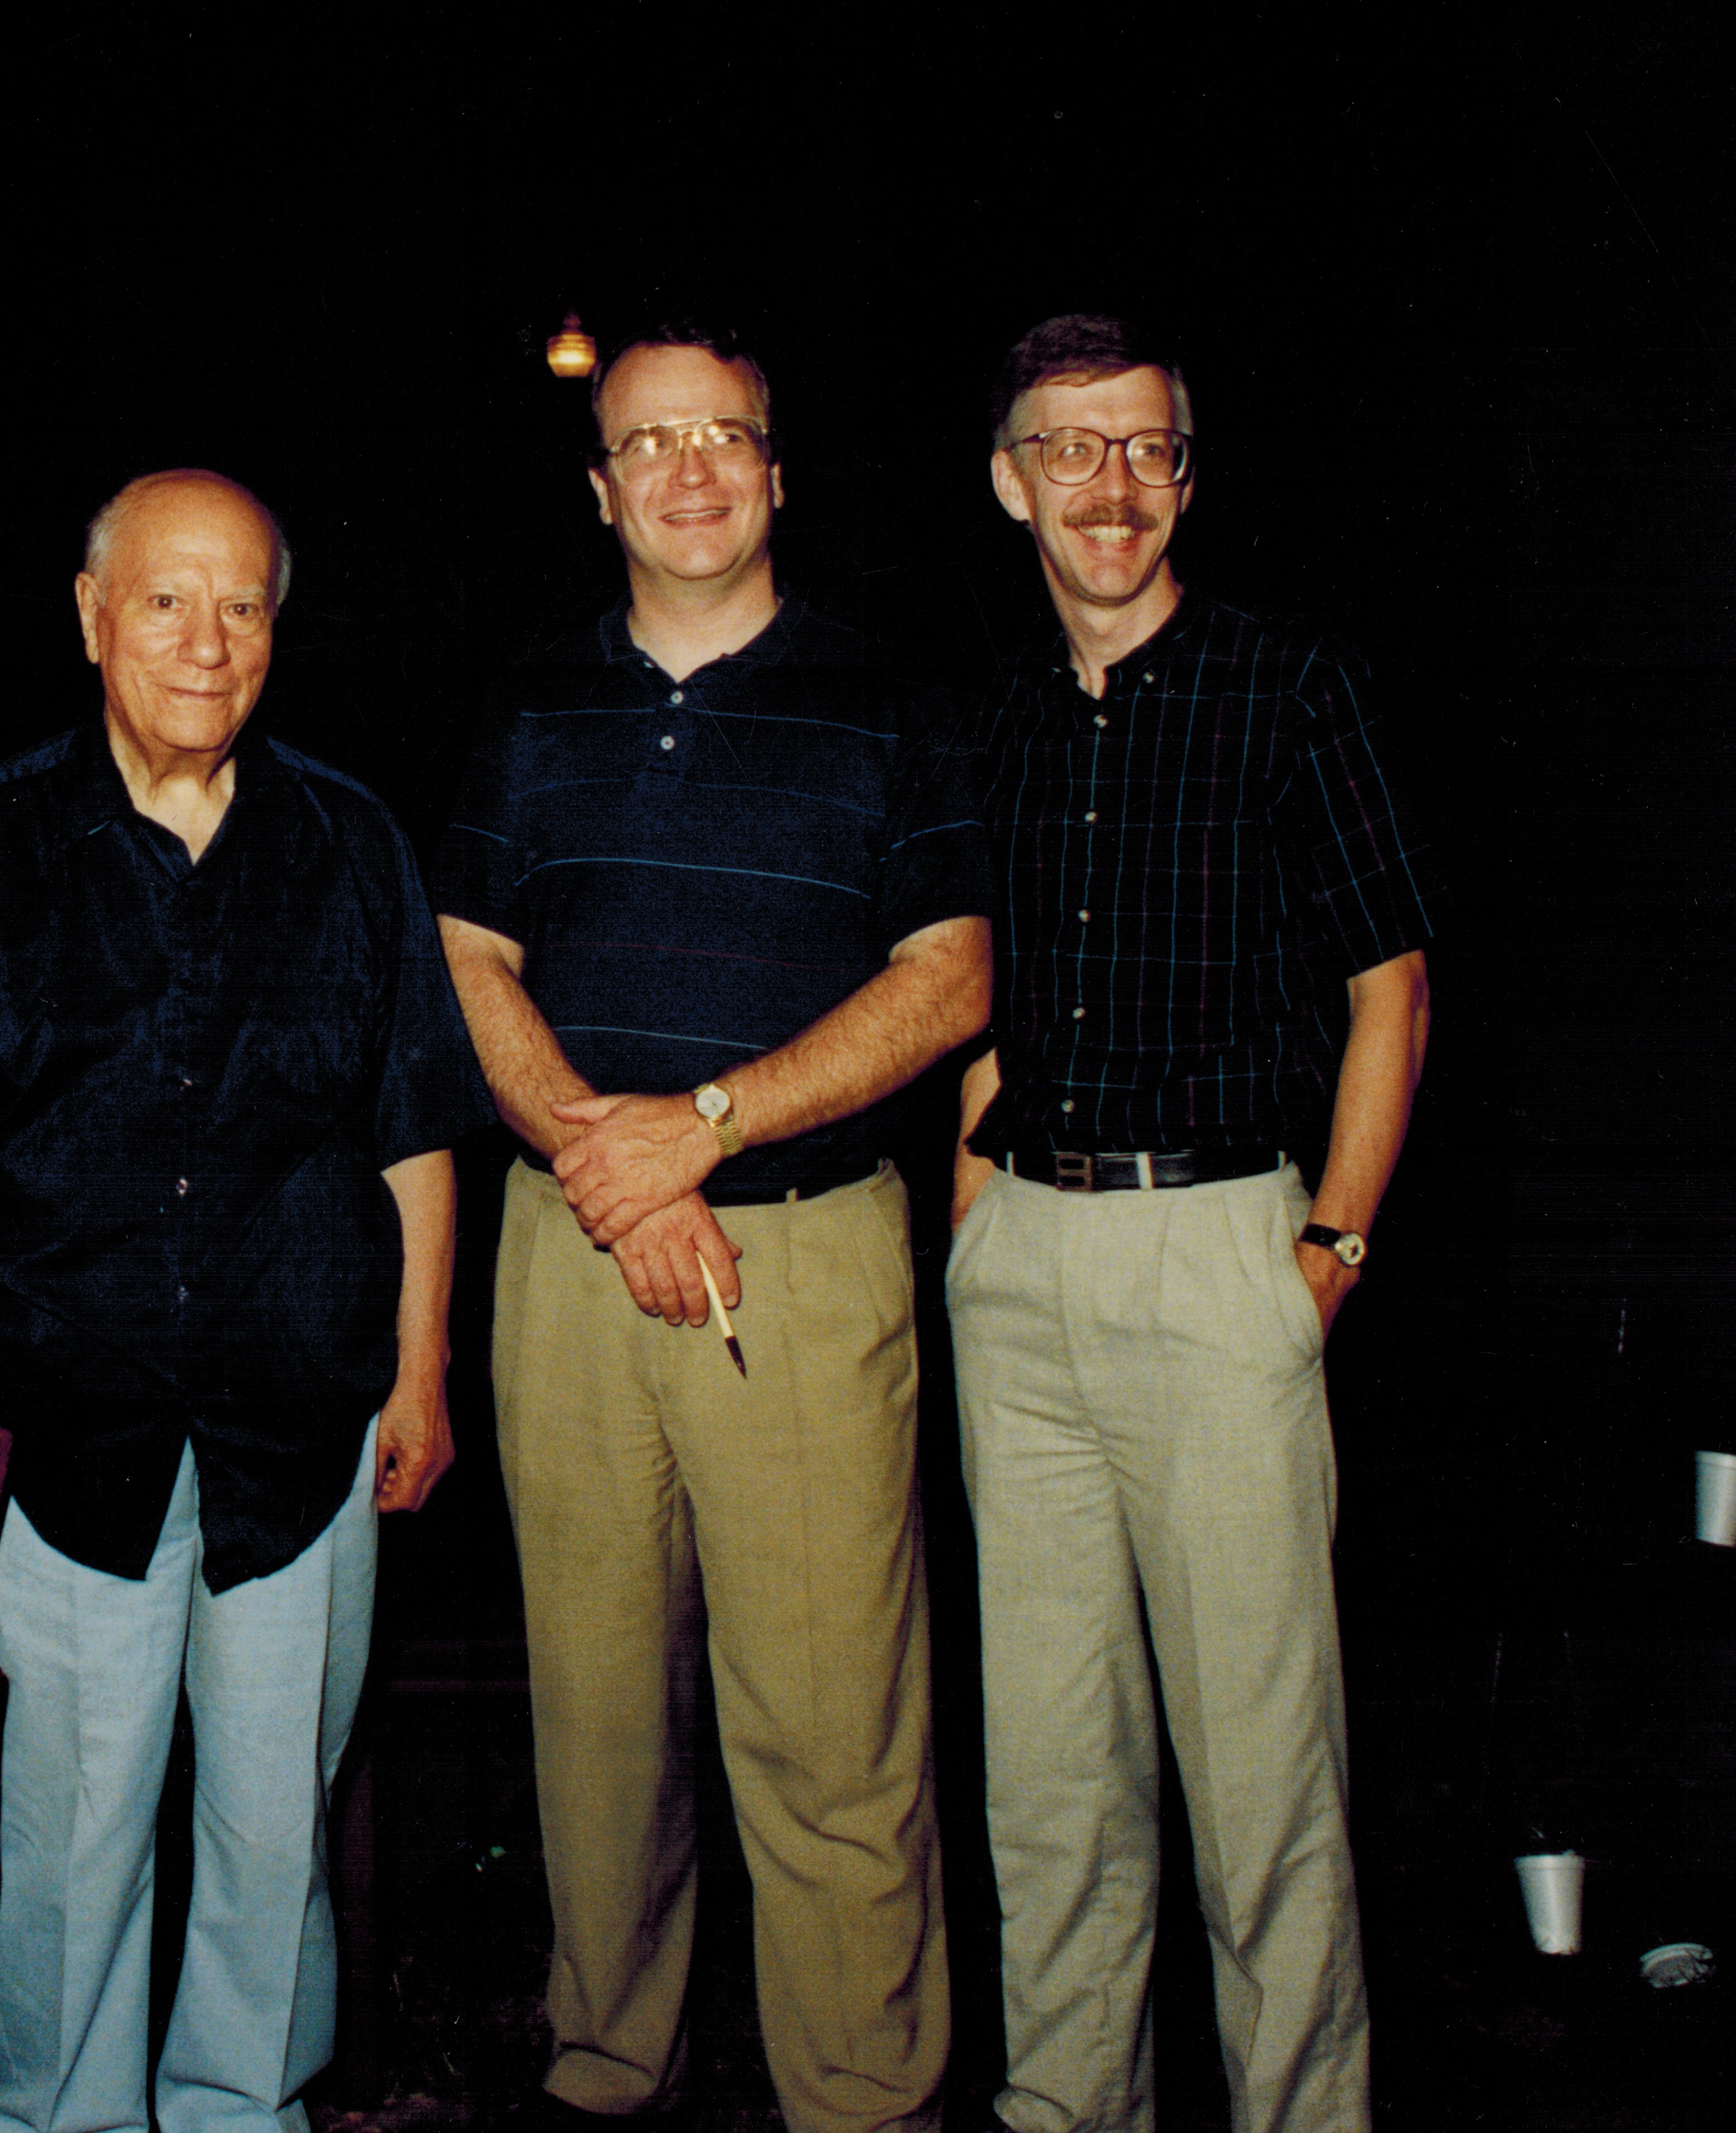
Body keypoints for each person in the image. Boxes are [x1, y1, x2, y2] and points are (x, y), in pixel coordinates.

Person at [0, 470, 484, 2133]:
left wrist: (418, 1379)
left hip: (301, 1430)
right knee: (73, 1827)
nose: (207, 641)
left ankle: (238, 2108)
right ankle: (62, 2112)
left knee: (277, 1828)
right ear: (90, 617)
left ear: (279, 629)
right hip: (58, 1438)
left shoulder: (352, 844)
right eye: (167, 601)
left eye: (245, 605)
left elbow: (415, 1132)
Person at [436, 325, 987, 2131]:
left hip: (808, 1260)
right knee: (596, 1727)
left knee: (833, 1742)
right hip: (565, 1259)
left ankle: (863, 2098)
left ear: (776, 472)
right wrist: (613, 1167)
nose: (686, 471)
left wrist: (708, 1129)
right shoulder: (529, 703)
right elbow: (470, 961)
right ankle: (609, 2068)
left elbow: (950, 978)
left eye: (722, 439)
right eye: (646, 443)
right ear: (601, 488)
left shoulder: (891, 697)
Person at [951, 314, 1433, 2133]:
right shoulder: (989, 717)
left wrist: (1334, 1254)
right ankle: (1071, 2110)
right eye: (1074, 450)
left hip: (1227, 1256)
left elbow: (1395, 984)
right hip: (1026, 1282)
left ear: (1186, 480)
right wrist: (971, 1223)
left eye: (1148, 450)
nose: (1114, 485)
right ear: (1013, 485)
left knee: (1261, 1784)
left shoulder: (1290, 685)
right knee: (1052, 1787)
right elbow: (975, 999)